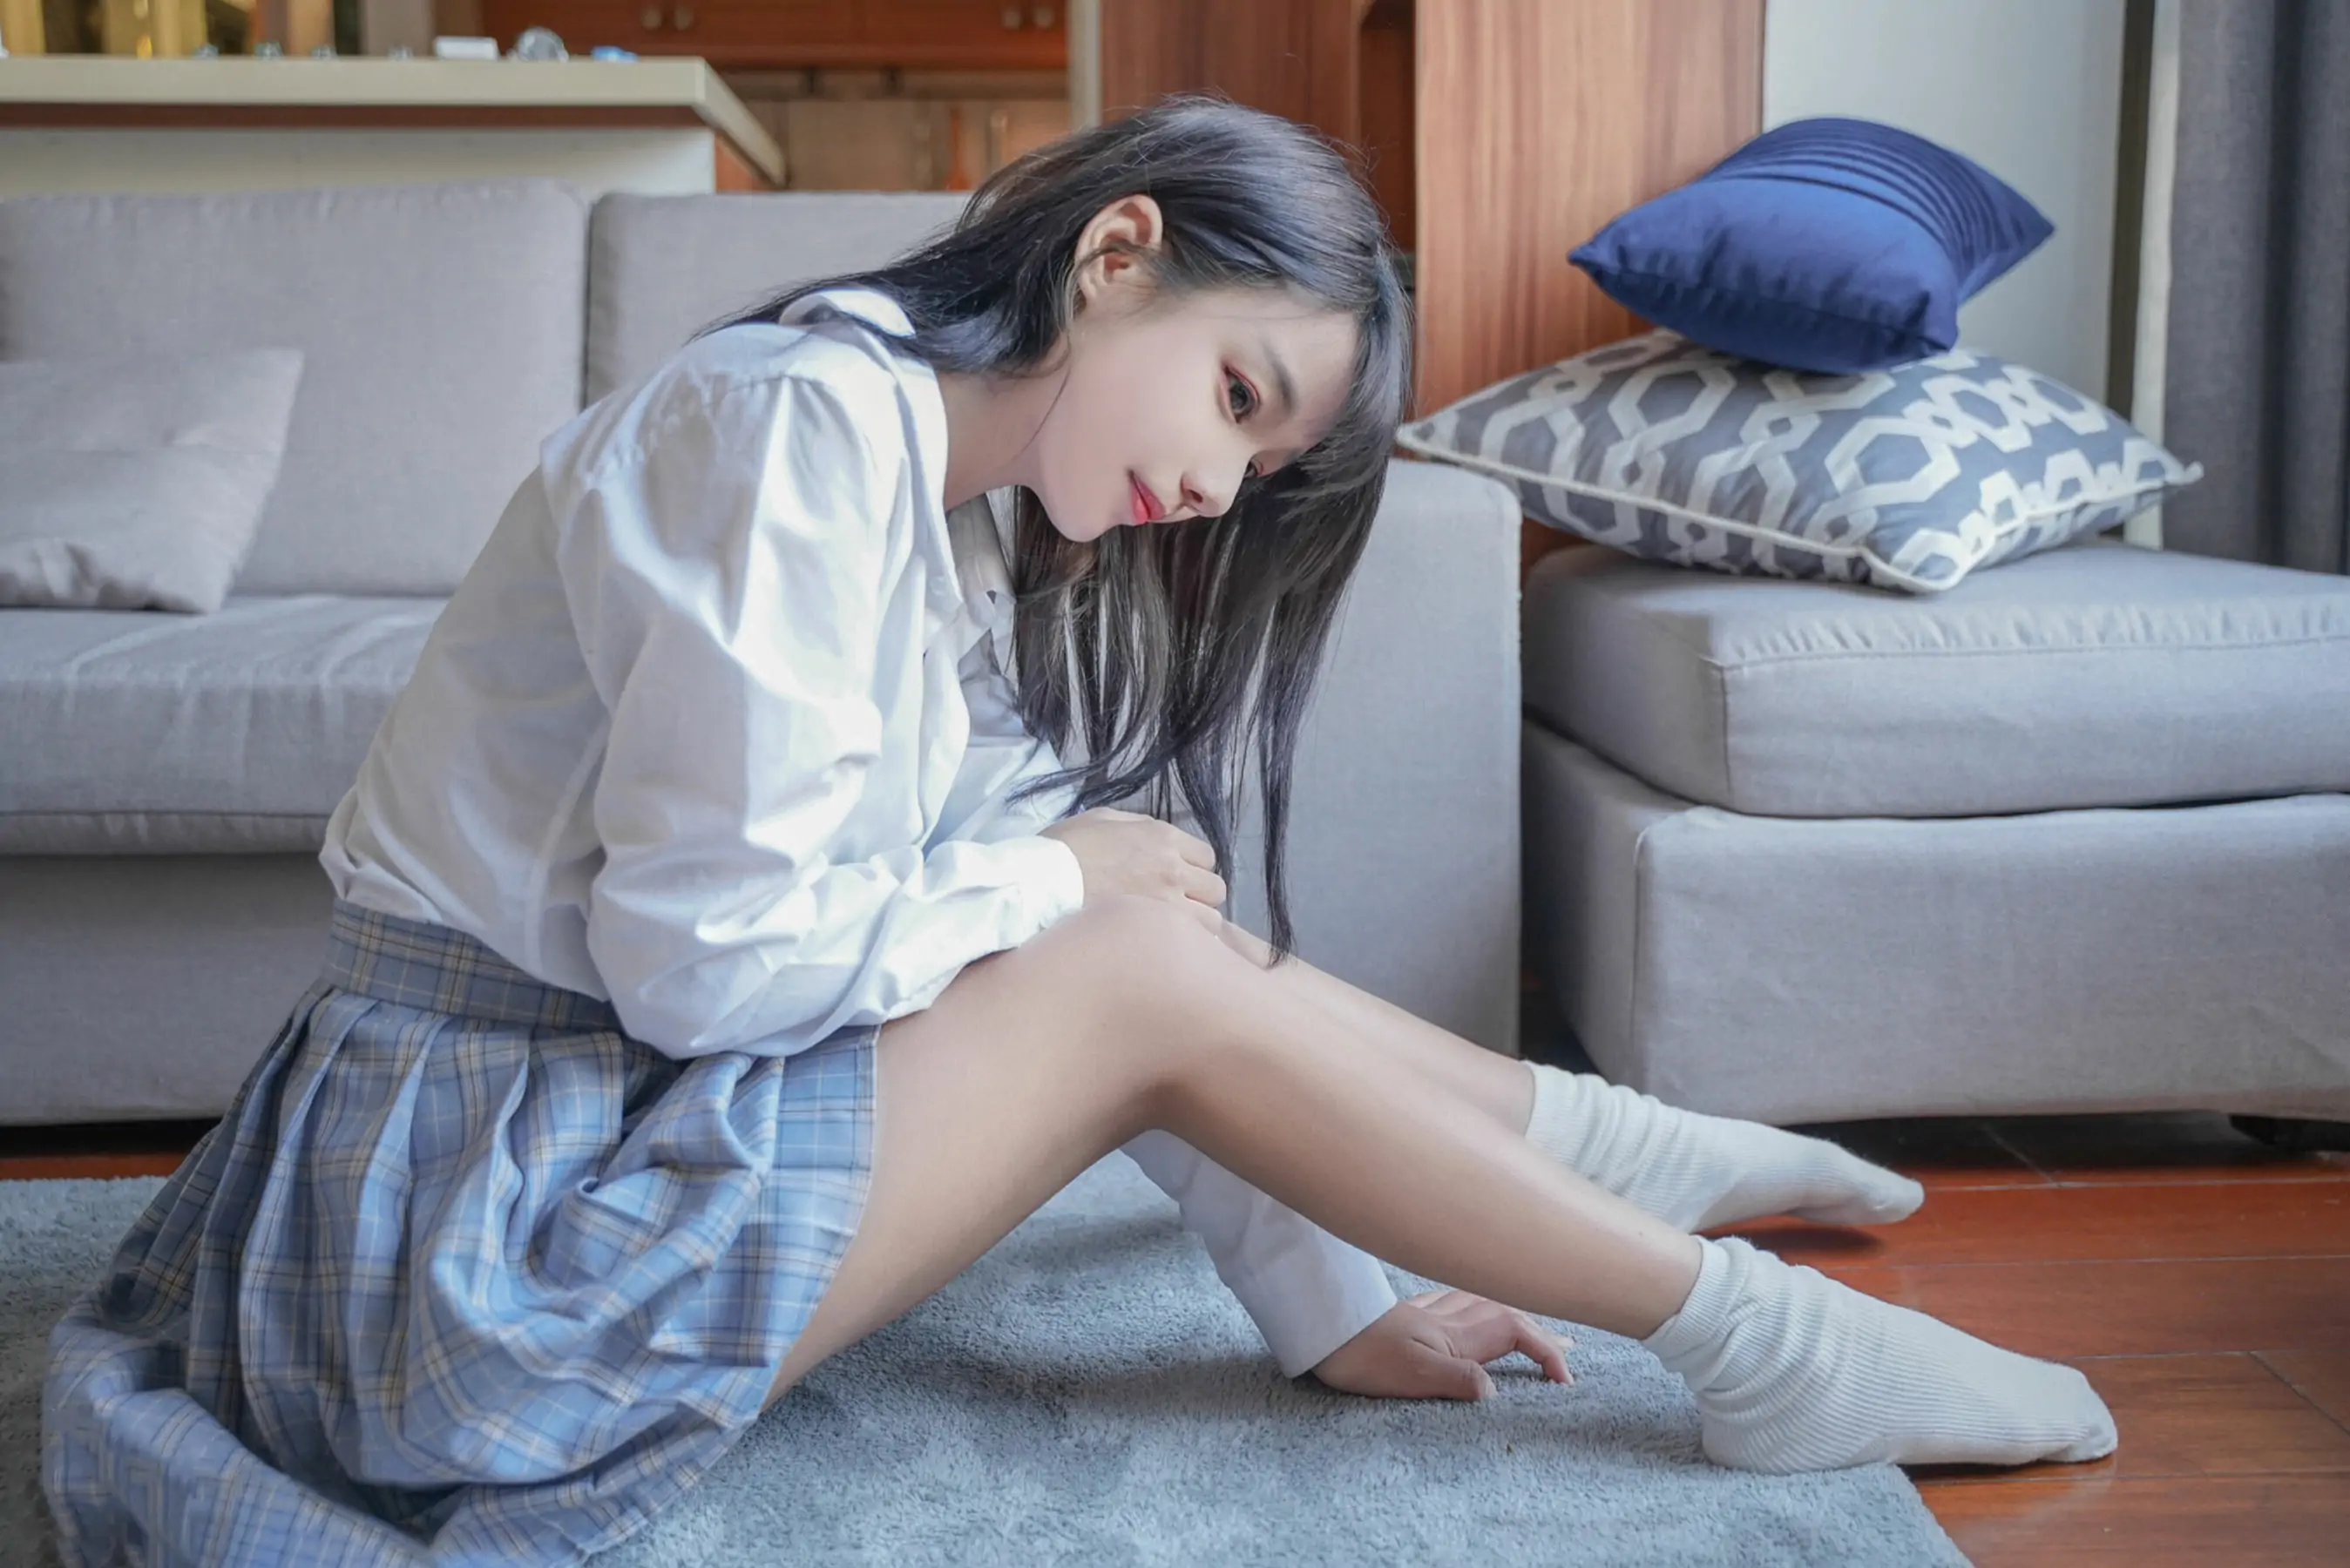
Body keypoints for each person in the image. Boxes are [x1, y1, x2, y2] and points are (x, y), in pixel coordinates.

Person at [40, 96, 2115, 1567]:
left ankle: (1603, 1153)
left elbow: (1070, 953)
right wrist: (1057, 883)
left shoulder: (934, 504)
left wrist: (1320, 1298)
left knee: (1114, 897)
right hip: (466, 1271)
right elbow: (713, 967)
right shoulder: (786, 423)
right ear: (1114, 257)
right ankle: (1759, 1344)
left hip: (569, 1146)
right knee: (1098, 904)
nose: (1215, 490)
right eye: (1235, 398)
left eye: (1258, 463)